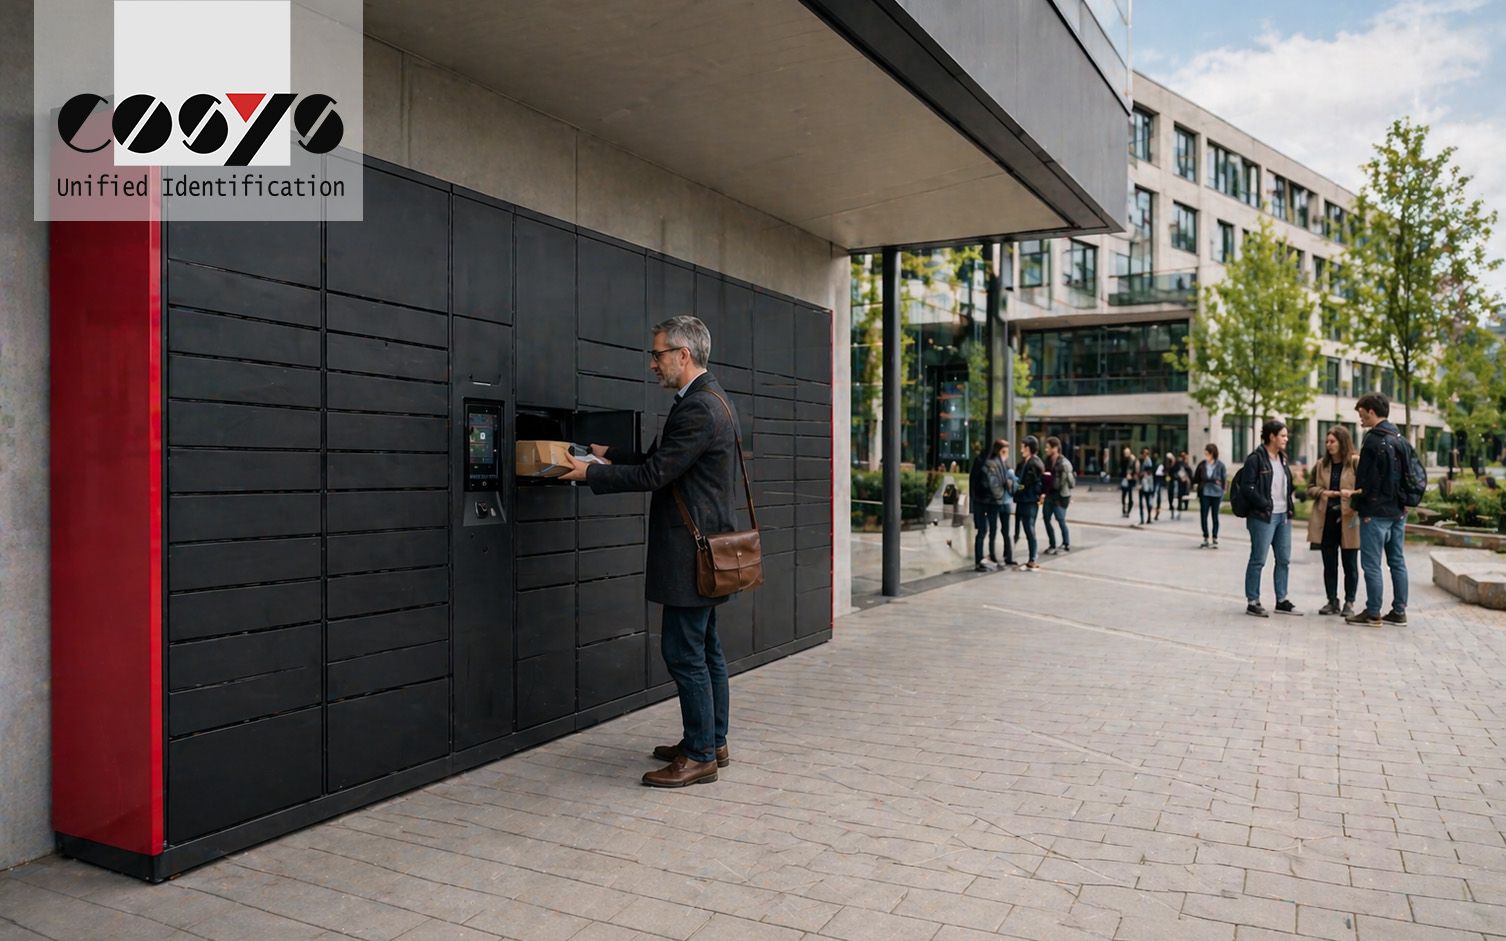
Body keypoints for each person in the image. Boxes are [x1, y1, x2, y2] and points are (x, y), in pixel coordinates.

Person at [563, 315, 739, 788]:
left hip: (690, 554)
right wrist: (609, 453)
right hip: (704, 550)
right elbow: (662, 462)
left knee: (684, 653)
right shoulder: (705, 399)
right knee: (706, 650)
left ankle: (700, 754)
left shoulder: (700, 407)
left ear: (683, 355)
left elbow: (655, 476)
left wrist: (589, 474)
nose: (652, 363)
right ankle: (711, 740)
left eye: (658, 353)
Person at [1347, 393, 1410, 627]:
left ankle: (1373, 611)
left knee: (1371, 564)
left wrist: (1359, 503)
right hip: (1398, 511)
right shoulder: (1399, 437)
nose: (1360, 419)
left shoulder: (1373, 440)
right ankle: (1399, 611)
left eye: (1361, 414)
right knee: (1397, 561)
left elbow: (1365, 478)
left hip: (1375, 512)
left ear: (1371, 411)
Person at [1234, 419, 1301, 618]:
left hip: (1283, 516)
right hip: (1263, 516)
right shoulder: (1255, 459)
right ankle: (1253, 601)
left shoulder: (1282, 458)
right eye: (1283, 435)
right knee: (1258, 559)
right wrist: (1265, 504)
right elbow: (1247, 487)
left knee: (1284, 559)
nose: (1286, 439)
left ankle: (1281, 600)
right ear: (1271, 436)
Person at [1308, 426, 1359, 617]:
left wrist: (1351, 494)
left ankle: (1350, 602)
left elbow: (1365, 489)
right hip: (1327, 517)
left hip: (1349, 517)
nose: (1329, 445)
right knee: (1329, 562)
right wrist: (1322, 492)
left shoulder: (1355, 463)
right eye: (1327, 441)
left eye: (1333, 441)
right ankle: (1332, 600)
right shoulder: (1322, 464)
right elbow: (1310, 487)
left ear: (1342, 442)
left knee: (1350, 563)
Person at [969, 439, 1007, 571]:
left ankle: (980, 560)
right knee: (991, 530)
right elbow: (1003, 481)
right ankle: (991, 556)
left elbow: (972, 482)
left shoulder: (980, 460)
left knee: (982, 532)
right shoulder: (997, 462)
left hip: (981, 501)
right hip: (993, 501)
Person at [1015, 436, 1045, 571]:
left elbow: (1026, 484)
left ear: (1028, 448)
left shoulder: (1034, 463)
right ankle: (1009, 554)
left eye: (1022, 447)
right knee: (1020, 528)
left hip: (1029, 500)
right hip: (1022, 500)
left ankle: (1033, 558)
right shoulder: (1024, 463)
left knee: (1029, 528)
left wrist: (1017, 487)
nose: (1021, 450)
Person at [1042, 435, 1074, 555]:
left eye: (1048, 447)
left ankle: (1066, 543)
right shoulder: (1047, 461)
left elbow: (1070, 483)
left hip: (1060, 496)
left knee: (1060, 520)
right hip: (1049, 495)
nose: (1046, 449)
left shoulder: (1064, 463)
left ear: (1055, 448)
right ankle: (1052, 544)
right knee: (1046, 518)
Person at [1192, 443, 1227, 548]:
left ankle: (1215, 537)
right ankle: (1206, 537)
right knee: (1204, 515)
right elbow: (1196, 477)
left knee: (1215, 516)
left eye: (1208, 453)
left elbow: (1223, 479)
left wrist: (1222, 488)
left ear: (1213, 453)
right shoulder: (1202, 464)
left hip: (1216, 493)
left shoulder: (1220, 465)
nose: (1206, 455)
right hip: (1205, 492)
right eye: (1205, 453)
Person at [1136, 447, 1156, 525]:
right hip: (1141, 484)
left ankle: (1148, 517)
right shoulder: (1140, 461)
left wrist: (1145, 474)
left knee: (1148, 502)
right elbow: (1137, 472)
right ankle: (1142, 519)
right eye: (1144, 453)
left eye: (1147, 453)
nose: (1146, 455)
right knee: (1141, 502)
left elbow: (1150, 472)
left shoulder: (1149, 461)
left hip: (1147, 484)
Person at [1118, 446, 1136, 518]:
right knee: (1124, 495)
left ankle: (1128, 511)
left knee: (1130, 496)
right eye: (1125, 453)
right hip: (1125, 480)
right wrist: (1124, 475)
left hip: (1130, 480)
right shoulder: (1123, 461)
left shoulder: (1132, 460)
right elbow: (1121, 470)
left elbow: (1135, 469)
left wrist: (1131, 475)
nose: (1126, 454)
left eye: (1127, 453)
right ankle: (1124, 509)